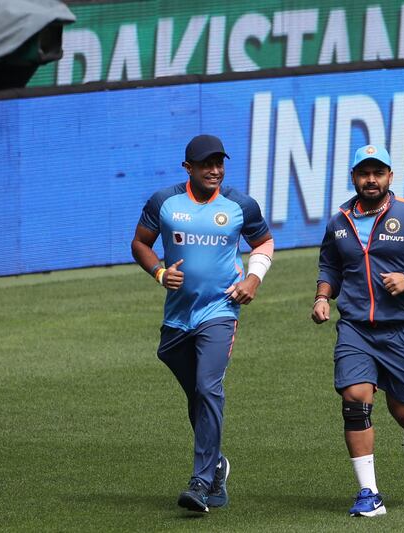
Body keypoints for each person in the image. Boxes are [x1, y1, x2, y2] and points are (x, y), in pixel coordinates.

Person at [311, 144, 404, 517]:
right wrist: (323, 297)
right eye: (364, 173)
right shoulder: (339, 222)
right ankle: (368, 494)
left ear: (390, 177)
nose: (371, 180)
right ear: (354, 178)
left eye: (378, 173)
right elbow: (330, 265)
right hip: (356, 330)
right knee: (355, 402)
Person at [131, 134, 274, 513]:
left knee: (209, 388)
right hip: (177, 316)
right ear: (188, 168)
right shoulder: (164, 203)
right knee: (197, 395)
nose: (214, 170)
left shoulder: (240, 205)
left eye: (219, 163)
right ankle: (218, 464)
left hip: (220, 311)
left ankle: (200, 480)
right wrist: (159, 274)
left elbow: (264, 243)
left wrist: (252, 280)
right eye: (206, 164)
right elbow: (140, 244)